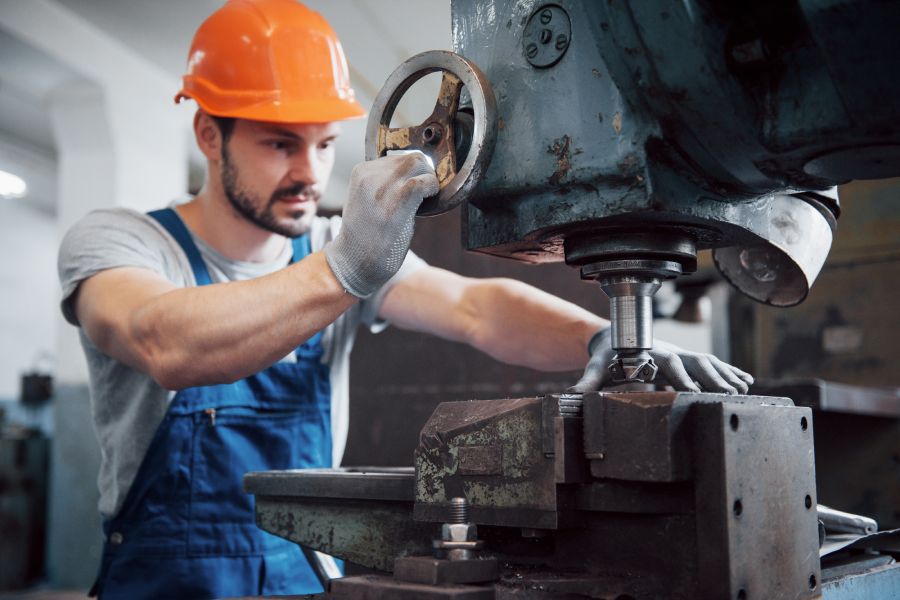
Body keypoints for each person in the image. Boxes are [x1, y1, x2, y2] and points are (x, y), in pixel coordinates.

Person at [57, 0, 753, 598]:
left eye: (325, 145)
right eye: (278, 144)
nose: (309, 173)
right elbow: (164, 342)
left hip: (305, 573)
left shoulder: (328, 248)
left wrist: (600, 337)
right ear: (210, 134)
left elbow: (476, 309)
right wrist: (346, 270)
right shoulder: (120, 243)